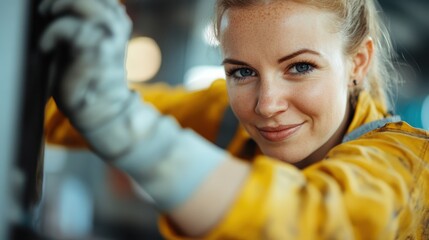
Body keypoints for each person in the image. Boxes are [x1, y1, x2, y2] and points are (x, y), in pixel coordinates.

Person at [40, 0, 429, 239]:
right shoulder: (225, 114)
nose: (266, 105)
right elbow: (65, 117)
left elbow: (314, 222)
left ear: (357, 62)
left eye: (301, 66)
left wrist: (119, 122)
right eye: (241, 72)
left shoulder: (410, 163)